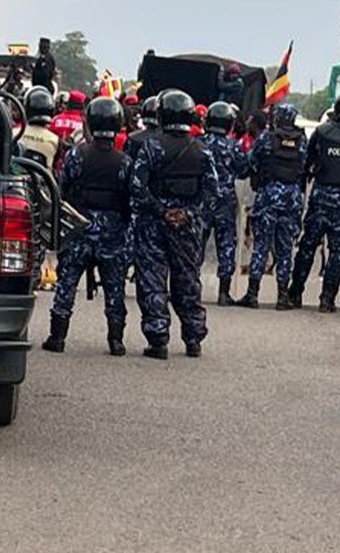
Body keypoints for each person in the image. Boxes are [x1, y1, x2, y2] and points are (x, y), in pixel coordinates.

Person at [129, 90, 218, 359]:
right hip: (187, 227)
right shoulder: (203, 150)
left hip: (153, 223)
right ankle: (193, 338)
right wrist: (188, 213)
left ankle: (158, 339)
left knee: (152, 279)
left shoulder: (152, 147)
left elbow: (137, 187)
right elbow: (212, 192)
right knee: (187, 279)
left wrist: (161, 210)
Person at [41, 96, 132, 356]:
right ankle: (116, 341)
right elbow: (129, 199)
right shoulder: (124, 162)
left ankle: (57, 337)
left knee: (67, 283)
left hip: (80, 228)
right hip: (112, 231)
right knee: (114, 287)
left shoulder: (76, 155)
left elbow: (63, 190)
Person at [285, 91, 340, 312]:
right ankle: (327, 299)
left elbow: (307, 162)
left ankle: (295, 294)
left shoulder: (322, 132)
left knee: (307, 248)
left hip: (321, 198)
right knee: (338, 252)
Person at [238, 103, 306, 309]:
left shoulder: (266, 139)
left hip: (268, 196)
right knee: (285, 248)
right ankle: (283, 297)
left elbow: (248, 163)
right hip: (292, 198)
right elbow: (306, 166)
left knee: (261, 245)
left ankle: (252, 295)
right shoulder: (302, 141)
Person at [199, 101, 246, 305]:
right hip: (225, 200)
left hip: (201, 200)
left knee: (195, 244)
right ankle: (223, 293)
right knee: (226, 244)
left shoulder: (198, 143)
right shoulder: (232, 146)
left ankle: (188, 288)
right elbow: (244, 169)